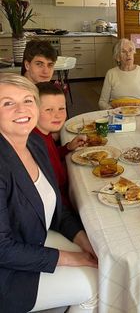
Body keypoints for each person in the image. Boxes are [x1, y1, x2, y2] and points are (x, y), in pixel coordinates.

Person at [0, 73, 97, 313]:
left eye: (28, 100)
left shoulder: (35, 144)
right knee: (97, 284)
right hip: (8, 273)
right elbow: (3, 249)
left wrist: (86, 243)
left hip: (32, 238)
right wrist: (72, 259)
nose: (21, 109)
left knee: (101, 259)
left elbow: (57, 210)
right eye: (7, 103)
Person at [33, 82, 87, 208]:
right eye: (48, 110)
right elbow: (50, 197)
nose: (57, 115)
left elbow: (51, 156)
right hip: (61, 206)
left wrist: (67, 148)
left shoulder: (44, 134)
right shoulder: (34, 145)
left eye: (61, 108)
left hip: (66, 193)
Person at [98, 38, 140, 109]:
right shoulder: (111, 74)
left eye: (130, 50)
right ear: (118, 57)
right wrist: (111, 111)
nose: (128, 54)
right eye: (123, 52)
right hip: (118, 116)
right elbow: (102, 102)